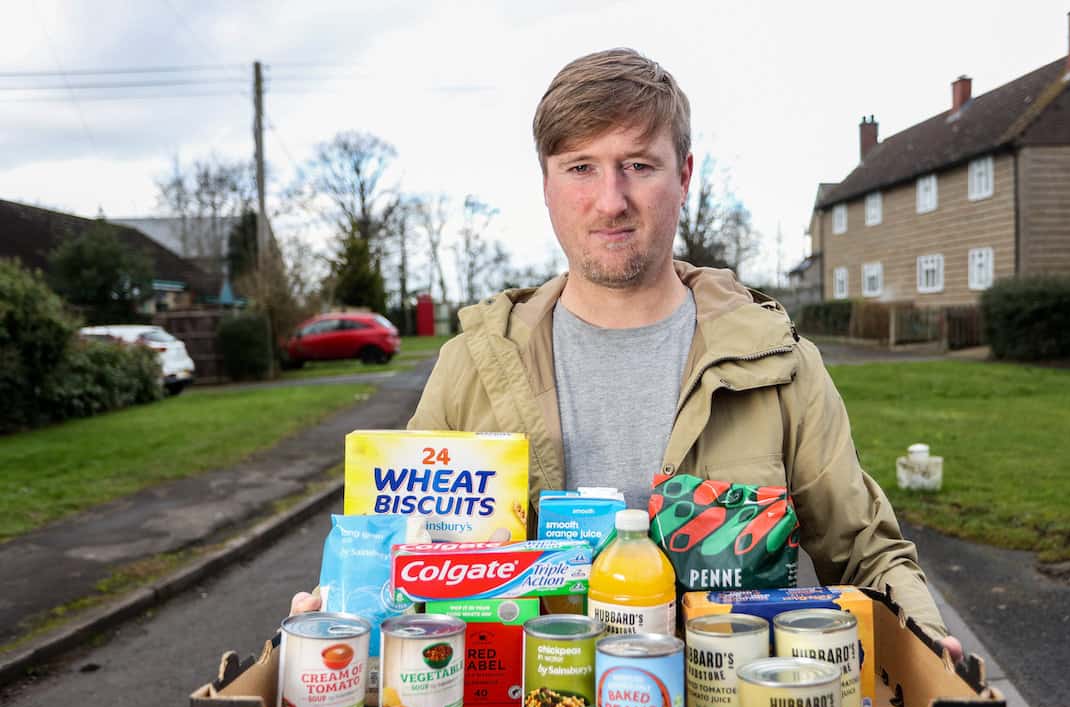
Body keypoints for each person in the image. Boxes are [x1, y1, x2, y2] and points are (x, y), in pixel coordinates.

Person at [293, 48, 962, 659]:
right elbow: (391, 558)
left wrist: (927, 638)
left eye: (638, 165)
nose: (610, 201)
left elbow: (866, 552)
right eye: (581, 167)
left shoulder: (778, 365)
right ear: (547, 183)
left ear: (685, 175)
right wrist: (341, 611)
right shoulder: (473, 363)